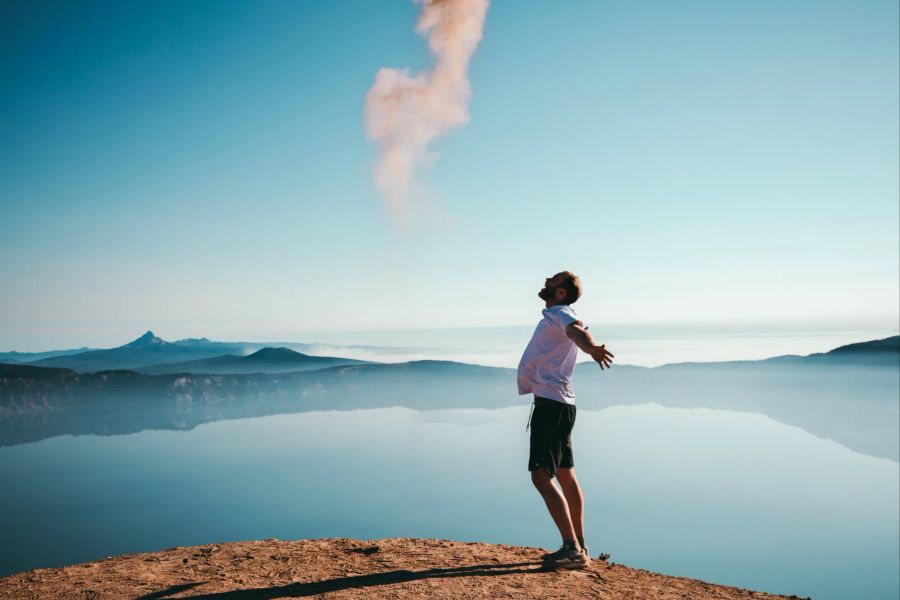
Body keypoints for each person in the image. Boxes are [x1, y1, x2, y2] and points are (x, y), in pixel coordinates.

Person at [517, 271, 614, 570]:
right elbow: (575, 331)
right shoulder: (557, 314)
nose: (545, 280)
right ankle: (579, 545)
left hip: (551, 405)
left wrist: (591, 348)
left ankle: (572, 550)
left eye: (552, 281)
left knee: (540, 476)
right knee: (564, 473)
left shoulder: (561, 314)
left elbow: (577, 332)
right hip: (559, 403)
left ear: (560, 293)